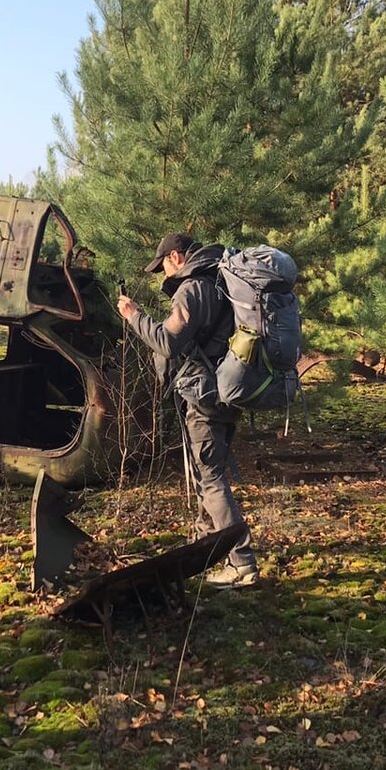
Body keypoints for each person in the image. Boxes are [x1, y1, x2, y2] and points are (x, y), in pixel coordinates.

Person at [116, 233, 259, 588]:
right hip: (226, 390)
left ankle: (243, 565)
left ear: (176, 257)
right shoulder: (216, 282)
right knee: (206, 474)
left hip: (205, 398)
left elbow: (167, 340)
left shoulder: (193, 289)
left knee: (210, 479)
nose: (162, 273)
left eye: (162, 264)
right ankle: (204, 552)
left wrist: (134, 316)